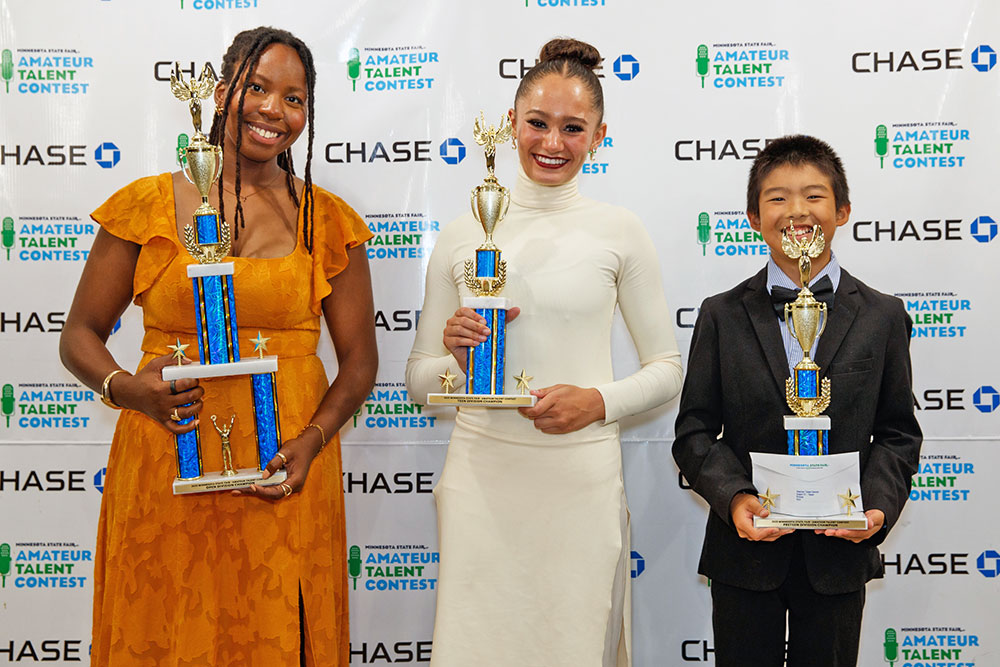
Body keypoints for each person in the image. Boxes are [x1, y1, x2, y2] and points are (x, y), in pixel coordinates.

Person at [59, 27, 376, 666]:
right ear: (222, 87)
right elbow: (79, 336)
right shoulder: (145, 207)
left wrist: (311, 442)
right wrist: (129, 391)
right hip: (165, 456)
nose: (271, 110)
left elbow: (360, 361)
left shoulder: (329, 219)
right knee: (164, 631)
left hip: (283, 468)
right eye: (256, 87)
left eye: (293, 98)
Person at [406, 38, 683, 667]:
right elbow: (420, 382)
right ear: (511, 124)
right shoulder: (461, 233)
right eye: (537, 123)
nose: (552, 142)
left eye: (572, 127)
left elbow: (667, 368)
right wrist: (456, 355)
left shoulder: (620, 230)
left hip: (580, 481)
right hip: (481, 478)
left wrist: (597, 402)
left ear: (599, 134)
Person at [672, 135, 922, 667]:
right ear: (752, 216)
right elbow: (694, 432)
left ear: (843, 211)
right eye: (777, 198)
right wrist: (737, 500)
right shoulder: (720, 314)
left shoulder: (882, 316)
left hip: (839, 554)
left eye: (814, 196)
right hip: (744, 552)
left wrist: (873, 509)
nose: (796, 211)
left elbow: (898, 432)